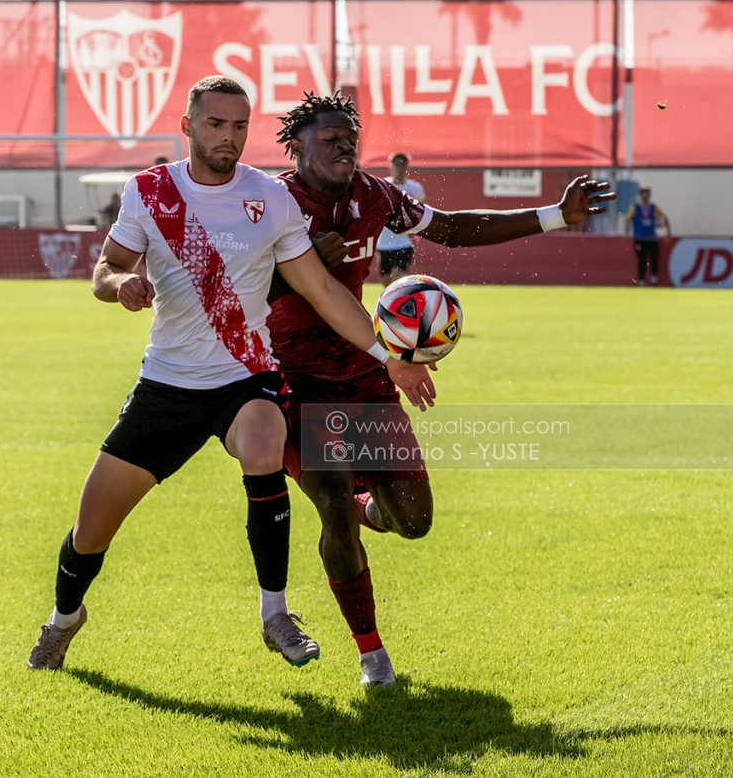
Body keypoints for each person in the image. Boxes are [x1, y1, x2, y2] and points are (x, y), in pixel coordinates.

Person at [26, 76, 435, 672]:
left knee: (265, 444)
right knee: (92, 530)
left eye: (239, 126)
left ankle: (276, 615)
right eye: (216, 124)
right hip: (167, 384)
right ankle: (63, 619)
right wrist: (121, 286)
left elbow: (322, 290)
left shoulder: (269, 197)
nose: (229, 137)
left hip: (246, 377)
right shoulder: (149, 191)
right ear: (187, 127)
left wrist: (386, 356)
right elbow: (105, 270)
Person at [268, 91, 616, 687]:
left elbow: (452, 228)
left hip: (366, 373)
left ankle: (365, 503)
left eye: (351, 139)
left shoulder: (376, 195)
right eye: (330, 140)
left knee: (413, 520)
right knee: (333, 511)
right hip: (292, 381)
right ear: (297, 147)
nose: (345, 147)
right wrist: (291, 270)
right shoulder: (268, 204)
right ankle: (372, 655)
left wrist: (556, 215)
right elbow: (227, 286)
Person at [376, 152, 424, 283]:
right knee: (386, 279)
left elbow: (420, 211)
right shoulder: (382, 185)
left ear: (407, 166)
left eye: (403, 164)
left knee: (400, 275)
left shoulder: (415, 188)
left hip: (403, 242)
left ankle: (404, 294)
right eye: (397, 164)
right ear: (390, 166)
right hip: (384, 242)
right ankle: (394, 296)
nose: (400, 168)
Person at [626, 185, 671, 286]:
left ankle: (654, 279)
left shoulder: (654, 207)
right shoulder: (634, 207)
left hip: (652, 238)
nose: (646, 195)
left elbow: (664, 218)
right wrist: (627, 234)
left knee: (654, 258)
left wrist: (668, 233)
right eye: (644, 193)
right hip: (640, 238)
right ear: (641, 194)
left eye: (648, 193)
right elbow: (628, 220)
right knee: (642, 259)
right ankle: (641, 280)